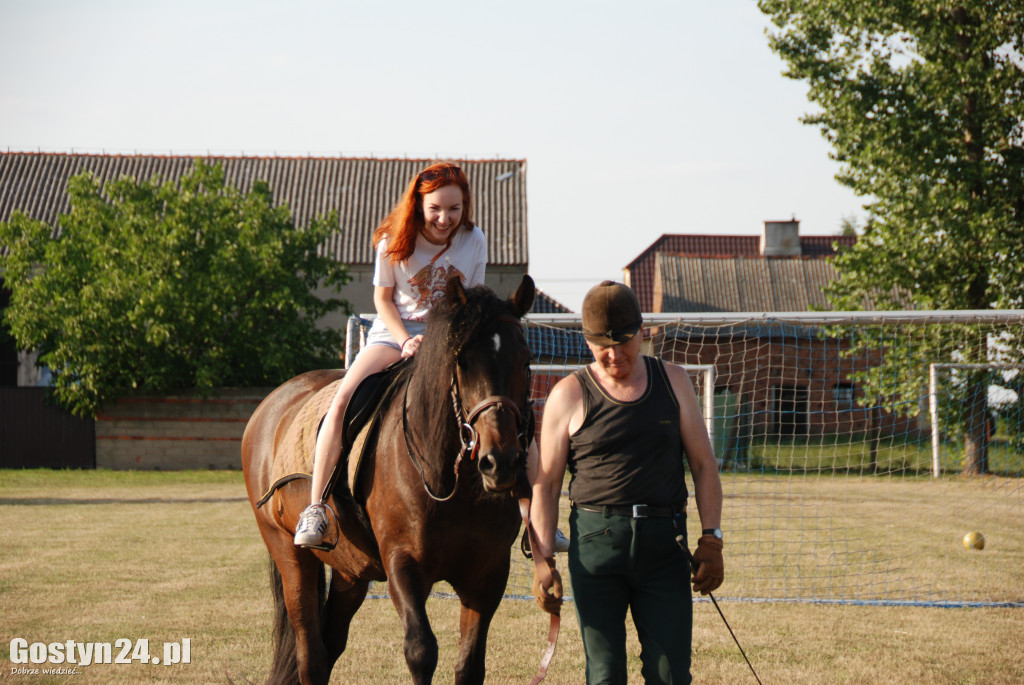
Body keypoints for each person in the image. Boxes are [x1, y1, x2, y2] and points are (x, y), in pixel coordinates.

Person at [529, 280, 724, 684]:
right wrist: (543, 558)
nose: (614, 355)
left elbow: (704, 465)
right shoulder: (567, 395)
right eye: (602, 345)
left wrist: (711, 539)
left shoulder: (674, 381)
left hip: (664, 546)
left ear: (641, 333)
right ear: (585, 340)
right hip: (596, 548)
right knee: (604, 675)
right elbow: (546, 485)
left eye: (624, 342)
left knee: (670, 674)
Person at [294, 162, 487, 547]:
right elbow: (382, 301)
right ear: (418, 204)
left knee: (501, 399)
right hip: (393, 335)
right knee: (343, 401)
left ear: (466, 205)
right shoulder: (391, 241)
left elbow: (474, 298)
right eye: (435, 208)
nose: (445, 218)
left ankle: (530, 514)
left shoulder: (474, 239)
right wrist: (404, 341)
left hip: (448, 336)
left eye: (454, 208)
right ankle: (316, 509)